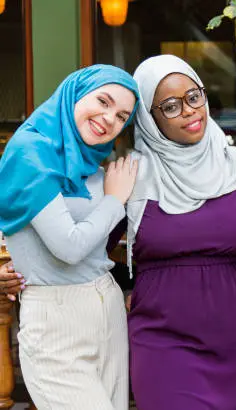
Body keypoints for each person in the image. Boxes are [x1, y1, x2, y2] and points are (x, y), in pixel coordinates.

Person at [126, 55, 236, 409]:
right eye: (170, 106)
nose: (189, 111)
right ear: (149, 117)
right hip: (163, 342)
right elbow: (87, 247)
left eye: (194, 96)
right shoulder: (131, 177)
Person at [0, 65, 140, 410]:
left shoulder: (91, 161)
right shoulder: (29, 152)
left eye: (122, 116)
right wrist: (114, 200)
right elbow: (69, 247)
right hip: (55, 317)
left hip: (106, 304)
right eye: (103, 101)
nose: (109, 119)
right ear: (74, 95)